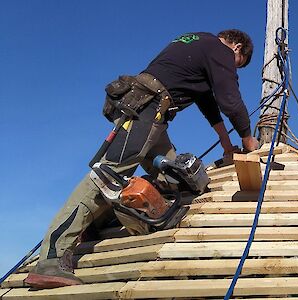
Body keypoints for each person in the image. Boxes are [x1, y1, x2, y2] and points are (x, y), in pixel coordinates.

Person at [24, 29, 259, 289]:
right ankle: (52, 258)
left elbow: (209, 103)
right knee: (110, 175)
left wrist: (227, 145)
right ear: (237, 48)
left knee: (177, 179)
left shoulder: (199, 44)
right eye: (238, 65)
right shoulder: (220, 49)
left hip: (148, 108)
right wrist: (248, 139)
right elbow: (230, 99)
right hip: (149, 108)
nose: (232, 67)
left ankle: (100, 223)